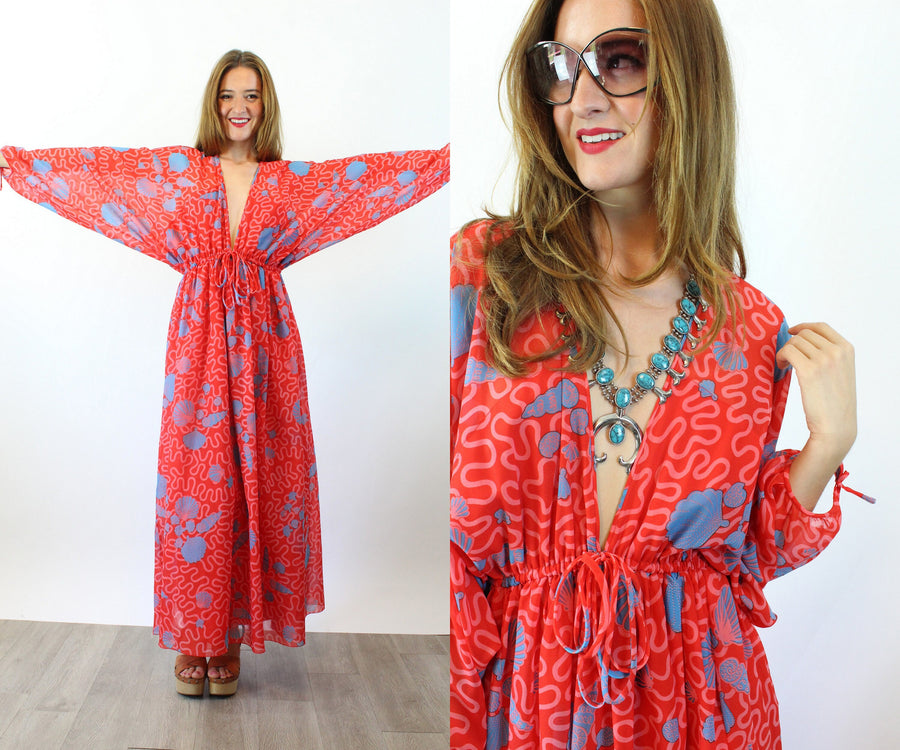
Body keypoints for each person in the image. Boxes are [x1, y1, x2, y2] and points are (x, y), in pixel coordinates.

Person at [450, 0, 870, 747]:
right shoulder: (485, 277)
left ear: (688, 78)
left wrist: (827, 445)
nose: (582, 97)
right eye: (561, 66)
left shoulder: (749, 328)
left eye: (620, 60)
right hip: (516, 706)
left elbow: (738, 567)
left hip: (696, 716)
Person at [0, 49, 448, 697]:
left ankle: (230, 636)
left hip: (267, 352)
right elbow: (104, 175)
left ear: (266, 106)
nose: (240, 108)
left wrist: (442, 162)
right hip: (199, 346)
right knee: (197, 489)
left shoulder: (287, 183)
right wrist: (20, 166)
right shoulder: (181, 174)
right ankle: (195, 636)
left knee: (255, 485)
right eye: (229, 95)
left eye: (252, 96)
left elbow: (358, 184)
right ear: (214, 103)